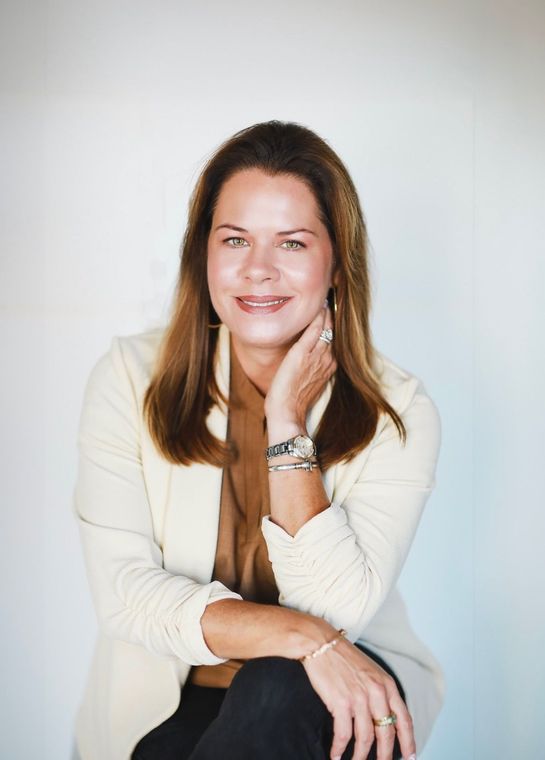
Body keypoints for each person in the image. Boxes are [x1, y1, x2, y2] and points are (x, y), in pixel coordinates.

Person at [72, 120, 444, 760]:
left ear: (335, 265)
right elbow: (126, 594)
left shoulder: (399, 408)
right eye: (235, 239)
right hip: (172, 687)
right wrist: (302, 635)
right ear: (205, 256)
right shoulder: (129, 379)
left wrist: (287, 422)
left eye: (292, 243)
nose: (258, 270)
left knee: (275, 687)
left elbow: (336, 609)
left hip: (336, 690)